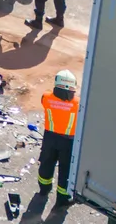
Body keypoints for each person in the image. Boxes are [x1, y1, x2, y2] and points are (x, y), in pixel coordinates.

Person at [38, 70, 80, 208]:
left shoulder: (46, 97)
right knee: (66, 169)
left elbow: (48, 100)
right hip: (68, 142)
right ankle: (62, 199)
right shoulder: (78, 104)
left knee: (46, 163)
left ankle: (44, 189)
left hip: (50, 137)